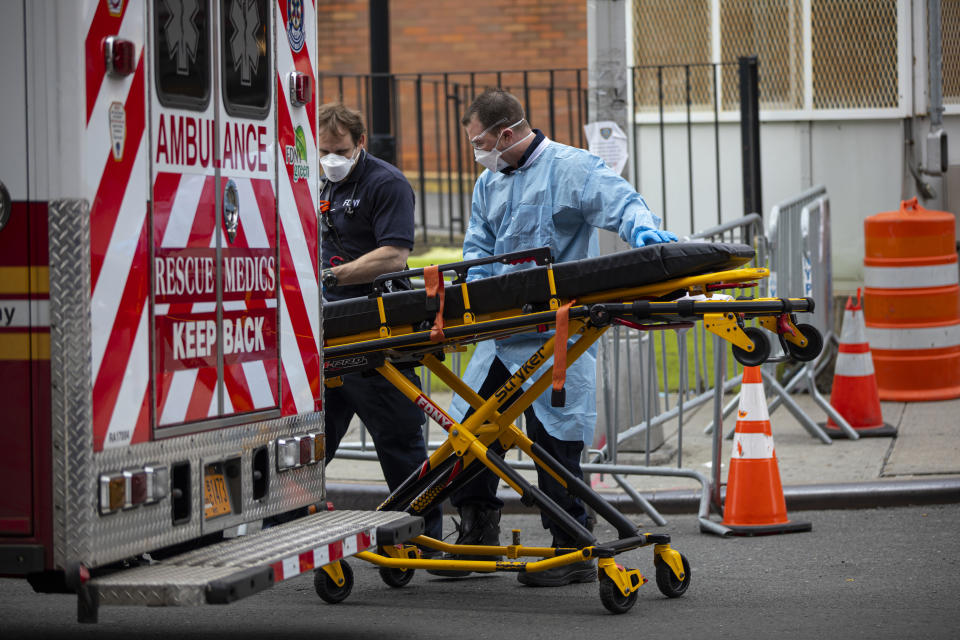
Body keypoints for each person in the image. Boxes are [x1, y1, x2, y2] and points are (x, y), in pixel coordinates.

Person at [432, 89, 676, 586]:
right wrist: (464, 297)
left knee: (554, 441)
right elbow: (477, 247)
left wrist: (643, 231)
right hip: (501, 334)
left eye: (479, 141)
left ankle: (573, 546)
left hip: (556, 335)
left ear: (505, 133)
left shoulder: (572, 168)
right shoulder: (489, 183)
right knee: (472, 433)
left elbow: (621, 201)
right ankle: (477, 531)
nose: (477, 151)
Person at [317, 102, 441, 545]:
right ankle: (279, 529)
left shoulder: (385, 183)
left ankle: (423, 538)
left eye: (340, 150)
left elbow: (394, 255)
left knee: (399, 441)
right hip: (325, 337)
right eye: (324, 150)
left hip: (374, 333)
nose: (331, 158)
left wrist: (332, 276)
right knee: (308, 445)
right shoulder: (315, 184)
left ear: (360, 144)